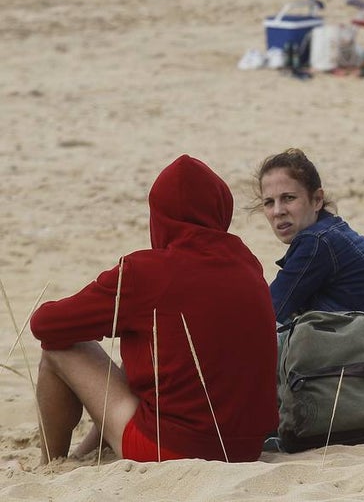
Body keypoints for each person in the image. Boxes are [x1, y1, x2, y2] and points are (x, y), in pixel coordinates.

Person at [29, 155, 278, 464]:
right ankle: (86, 454)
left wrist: (112, 309)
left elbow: (45, 324)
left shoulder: (146, 272)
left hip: (172, 448)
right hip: (246, 449)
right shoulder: (247, 264)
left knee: (58, 350)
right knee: (142, 351)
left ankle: (50, 465)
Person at [255, 148, 364, 427]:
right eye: (269, 202)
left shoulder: (317, 242)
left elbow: (270, 310)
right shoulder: (329, 231)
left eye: (288, 198)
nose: (278, 211)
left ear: (317, 200)